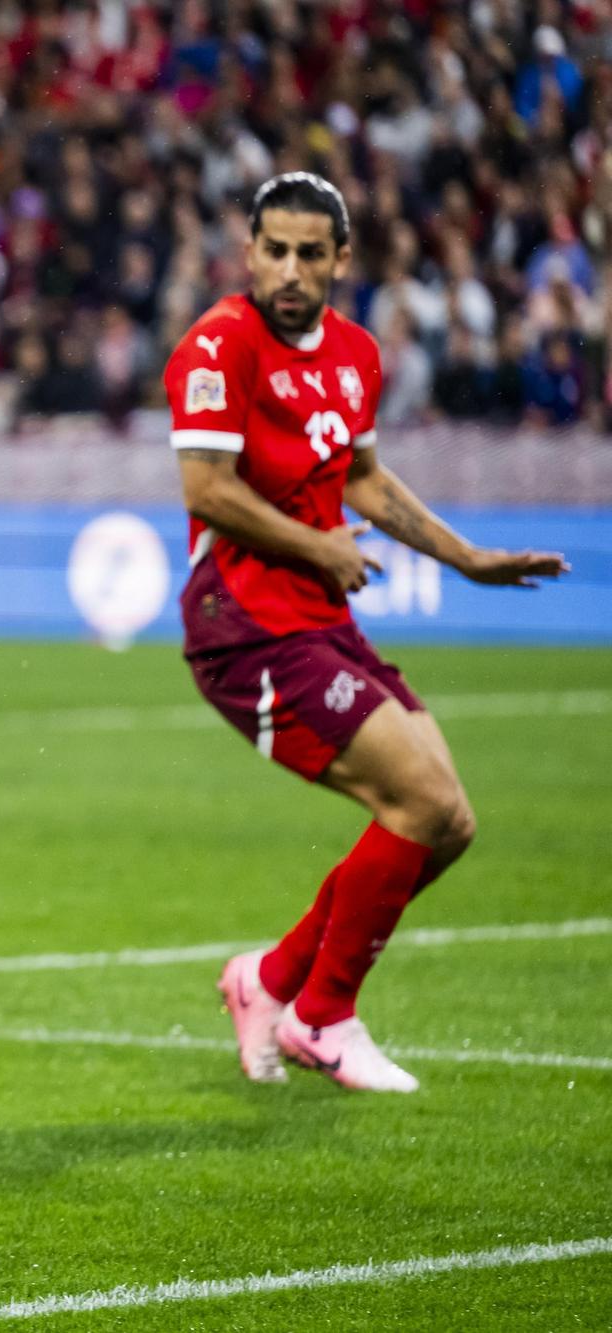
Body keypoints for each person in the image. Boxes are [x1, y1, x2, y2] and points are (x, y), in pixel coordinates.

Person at [166, 173, 567, 1093]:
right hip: (244, 627)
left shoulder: (354, 354)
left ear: (343, 259)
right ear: (250, 251)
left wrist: (466, 557)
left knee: (450, 822)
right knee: (421, 803)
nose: (292, 270)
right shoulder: (218, 347)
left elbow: (364, 479)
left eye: (312, 253)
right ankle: (322, 1014)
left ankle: (266, 981)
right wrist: (318, 546)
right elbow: (206, 491)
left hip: (316, 616)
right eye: (275, 250)